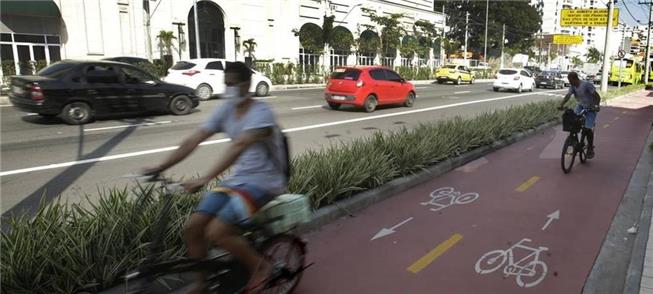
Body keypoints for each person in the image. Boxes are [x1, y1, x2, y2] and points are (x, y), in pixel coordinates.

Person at [143, 61, 287, 293]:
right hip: (237, 181)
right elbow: (196, 138)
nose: (229, 89)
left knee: (217, 231)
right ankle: (202, 284)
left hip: (264, 181)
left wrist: (204, 178)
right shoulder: (226, 110)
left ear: (247, 84)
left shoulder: (262, 113)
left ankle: (261, 267)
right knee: (193, 228)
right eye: (226, 84)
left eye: (233, 84)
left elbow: (239, 145)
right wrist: (160, 167)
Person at [558, 71, 601, 159]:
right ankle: (572, 139)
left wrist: (596, 106)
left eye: (570, 80)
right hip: (581, 106)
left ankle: (590, 147)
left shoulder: (586, 85)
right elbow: (568, 96)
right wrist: (561, 105)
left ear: (575, 78)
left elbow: (597, 96)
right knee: (573, 120)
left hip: (591, 107)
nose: (569, 82)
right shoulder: (573, 87)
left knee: (587, 128)